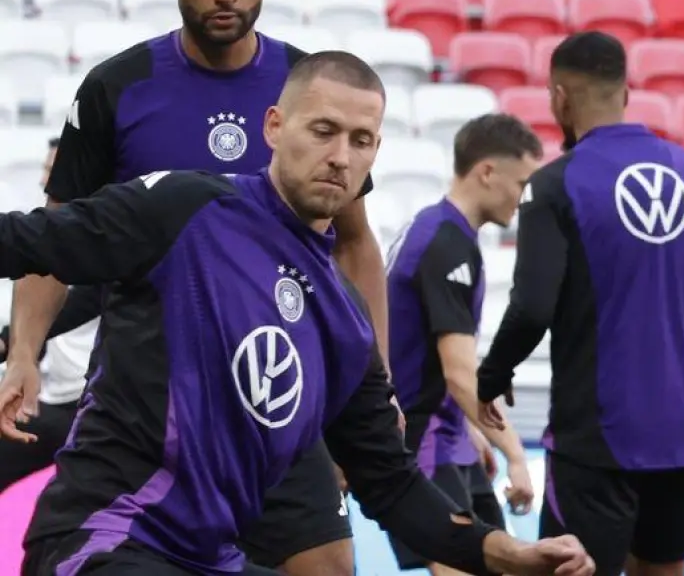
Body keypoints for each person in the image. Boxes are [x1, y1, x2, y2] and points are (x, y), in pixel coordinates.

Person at [0, 51, 595, 576]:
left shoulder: (344, 317)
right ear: (275, 127)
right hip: (105, 539)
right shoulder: (186, 208)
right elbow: (32, 241)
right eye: (323, 131)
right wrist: (21, 347)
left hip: (209, 557)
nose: (340, 156)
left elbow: (390, 483)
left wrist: (506, 553)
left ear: (374, 154)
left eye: (359, 141)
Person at [0, 0, 389, 576]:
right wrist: (24, 352)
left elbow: (355, 245)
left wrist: (370, 389)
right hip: (157, 398)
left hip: (276, 389)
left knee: (328, 567)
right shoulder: (116, 89)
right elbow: (57, 241)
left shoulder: (313, 88)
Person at [477, 31, 684, 576]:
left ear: (559, 97)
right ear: (626, 90)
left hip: (599, 434)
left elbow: (531, 307)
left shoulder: (553, 184)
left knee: (570, 566)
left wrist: (492, 374)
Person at [386, 114, 544, 575]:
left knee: (502, 564)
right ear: (487, 172)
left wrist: (472, 428)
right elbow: (459, 375)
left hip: (449, 432)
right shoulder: (446, 244)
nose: (524, 198)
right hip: (422, 438)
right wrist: (517, 454)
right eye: (522, 183)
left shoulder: (441, 229)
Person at [0, 138, 98, 492]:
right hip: (46, 395)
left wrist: (8, 340)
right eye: (44, 170)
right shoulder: (42, 232)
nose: (45, 180)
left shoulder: (105, 242)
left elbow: (82, 304)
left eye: (53, 172)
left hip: (86, 402)